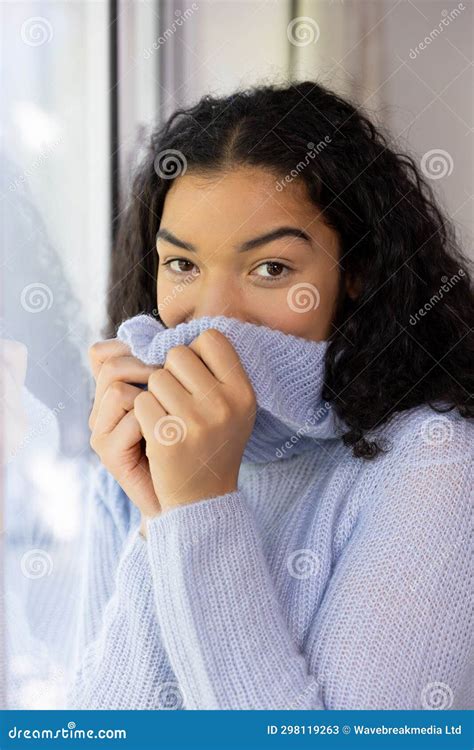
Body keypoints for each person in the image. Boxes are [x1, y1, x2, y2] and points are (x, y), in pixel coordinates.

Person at [67, 80, 473, 710]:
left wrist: (198, 509)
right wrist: (159, 514)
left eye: (271, 269)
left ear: (358, 272)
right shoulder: (131, 455)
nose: (214, 317)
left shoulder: (433, 462)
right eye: (182, 265)